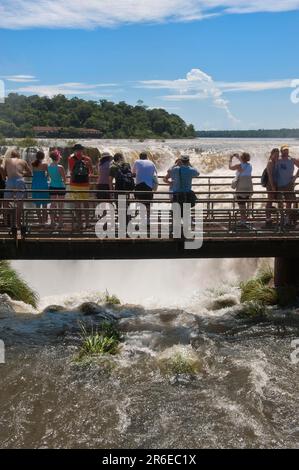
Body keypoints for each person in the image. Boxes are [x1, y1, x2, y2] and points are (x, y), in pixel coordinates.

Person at [3, 150, 32, 227]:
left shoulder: (7, 160)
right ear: (19, 155)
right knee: (19, 203)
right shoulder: (23, 161)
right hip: (20, 180)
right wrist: (22, 173)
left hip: (10, 181)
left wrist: (4, 176)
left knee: (6, 202)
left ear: (11, 155)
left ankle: (5, 221)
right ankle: (18, 223)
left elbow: (3, 169)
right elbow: (30, 172)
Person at [68, 144, 93, 228]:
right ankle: (87, 222)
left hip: (74, 184)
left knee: (77, 205)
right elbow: (91, 172)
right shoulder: (87, 159)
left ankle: (79, 223)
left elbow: (71, 171)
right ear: (82, 150)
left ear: (74, 150)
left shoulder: (70, 159)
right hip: (85, 184)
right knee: (86, 204)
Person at [275, 144, 299, 226]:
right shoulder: (277, 160)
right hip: (279, 184)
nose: (286, 151)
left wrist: (295, 177)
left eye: (287, 150)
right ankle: (281, 218)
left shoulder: (292, 159)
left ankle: (287, 219)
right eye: (284, 150)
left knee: (289, 202)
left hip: (289, 184)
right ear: (281, 151)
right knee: (280, 202)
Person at [229, 152, 253, 227]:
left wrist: (230, 159)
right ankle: (244, 220)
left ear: (242, 158)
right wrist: (238, 157)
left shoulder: (239, 166)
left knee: (241, 205)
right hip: (248, 187)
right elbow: (243, 164)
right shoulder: (249, 166)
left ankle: (243, 221)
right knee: (245, 204)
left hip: (241, 187)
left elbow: (230, 167)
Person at [48, 150, 66, 228]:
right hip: (61, 186)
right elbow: (64, 179)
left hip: (52, 186)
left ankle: (52, 222)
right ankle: (60, 223)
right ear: (58, 158)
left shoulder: (48, 167)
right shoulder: (60, 167)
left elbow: (49, 177)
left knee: (52, 204)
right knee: (60, 205)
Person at [31, 151, 49, 224]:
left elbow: (33, 173)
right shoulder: (45, 165)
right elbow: (48, 174)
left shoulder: (33, 164)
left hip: (35, 184)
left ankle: (39, 221)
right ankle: (44, 221)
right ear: (43, 157)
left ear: (36, 156)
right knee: (44, 204)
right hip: (43, 184)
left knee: (37, 204)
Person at [264, 148, 279, 227]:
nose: (277, 155)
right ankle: (268, 219)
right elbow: (270, 176)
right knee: (269, 201)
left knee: (271, 201)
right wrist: (273, 186)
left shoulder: (275, 161)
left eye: (278, 154)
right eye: (275, 154)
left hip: (274, 184)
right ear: (272, 154)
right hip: (270, 185)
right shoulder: (270, 162)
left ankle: (270, 218)